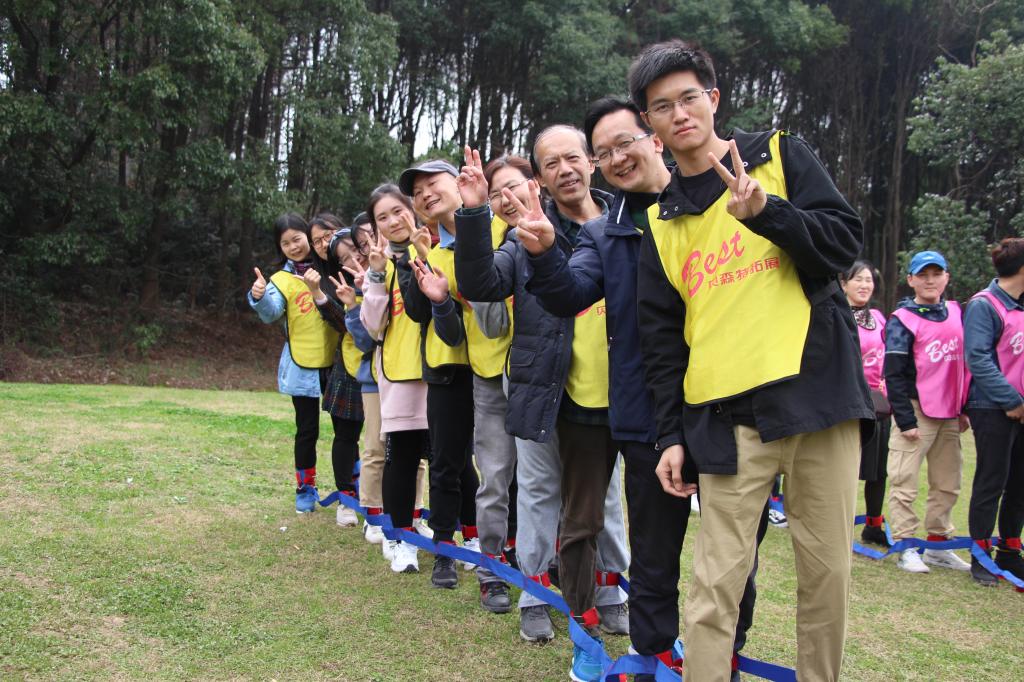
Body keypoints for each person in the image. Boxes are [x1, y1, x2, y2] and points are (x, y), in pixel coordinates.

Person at [629, 41, 872, 682]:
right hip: (728, 419)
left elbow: (843, 245)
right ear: (650, 125)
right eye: (662, 107)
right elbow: (662, 345)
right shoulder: (660, 224)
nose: (679, 114)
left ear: (713, 99)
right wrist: (671, 436)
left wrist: (769, 213)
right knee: (714, 586)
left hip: (819, 400)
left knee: (827, 577)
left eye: (689, 98)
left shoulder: (779, 156)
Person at [522, 96, 762, 680]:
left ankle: (723, 658)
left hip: (728, 404)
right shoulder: (605, 234)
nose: (616, 158)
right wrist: (546, 253)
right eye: (604, 153)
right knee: (654, 556)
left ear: (655, 138)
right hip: (649, 418)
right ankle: (653, 658)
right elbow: (569, 293)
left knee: (736, 555)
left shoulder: (715, 203)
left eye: (624, 142)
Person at [454, 129, 631, 682]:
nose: (565, 169)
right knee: (536, 490)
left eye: (572, 157)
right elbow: (481, 283)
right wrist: (475, 213)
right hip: (539, 383)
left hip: (611, 388)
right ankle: (535, 593)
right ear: (542, 177)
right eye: (551, 163)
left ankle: (611, 588)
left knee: (606, 496)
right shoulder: (526, 231)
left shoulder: (625, 220)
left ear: (592, 162)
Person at [398, 159, 509, 603]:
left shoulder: (497, 229)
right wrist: (421, 259)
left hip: (501, 365)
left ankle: (506, 552)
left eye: (433, 184)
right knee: (446, 460)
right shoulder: (424, 249)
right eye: (417, 192)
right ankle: (445, 547)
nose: (425, 194)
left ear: (459, 183)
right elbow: (416, 311)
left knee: (502, 466)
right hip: (449, 367)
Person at [359, 185, 436, 574]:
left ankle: (464, 537)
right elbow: (373, 326)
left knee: (449, 460)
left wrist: (427, 254)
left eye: (398, 211)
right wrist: (375, 275)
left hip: (443, 372)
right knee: (402, 458)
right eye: (382, 218)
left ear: (414, 209)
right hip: (401, 375)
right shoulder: (381, 265)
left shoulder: (438, 247)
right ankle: (399, 538)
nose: (392, 221)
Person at [883, 250, 972, 574]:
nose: (930, 280)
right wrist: (905, 419)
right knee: (904, 480)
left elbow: (967, 365)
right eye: (923, 275)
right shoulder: (902, 319)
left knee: (948, 482)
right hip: (916, 410)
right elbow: (893, 373)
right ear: (911, 280)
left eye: (936, 274)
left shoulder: (957, 313)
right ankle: (906, 546)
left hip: (950, 412)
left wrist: (964, 408)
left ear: (947, 277)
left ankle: (937, 544)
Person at [247, 213, 342, 513]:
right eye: (285, 243)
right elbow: (271, 312)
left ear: (309, 237)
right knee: (306, 430)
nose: (293, 246)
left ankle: (351, 489)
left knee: (346, 430)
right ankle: (305, 488)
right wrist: (259, 295)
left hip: (339, 361)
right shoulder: (280, 280)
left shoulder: (331, 267)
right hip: (302, 366)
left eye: (297, 239)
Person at [964, 238, 1024, 585]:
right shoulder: (984, 305)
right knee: (992, 481)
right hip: (991, 407)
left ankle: (1010, 552)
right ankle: (981, 556)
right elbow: (978, 359)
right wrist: (1011, 401)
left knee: (1019, 484)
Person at [308, 213, 364, 528]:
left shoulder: (376, 264)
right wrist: (320, 295)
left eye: (327, 234)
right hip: (347, 363)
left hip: (387, 362)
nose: (323, 243)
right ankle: (346, 498)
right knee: (346, 435)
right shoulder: (324, 279)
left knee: (384, 441)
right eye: (316, 240)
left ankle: (379, 501)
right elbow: (342, 323)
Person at [842, 260, 893, 547]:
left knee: (878, 469)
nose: (864, 285)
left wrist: (886, 380)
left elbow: (887, 354)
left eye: (868, 280)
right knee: (844, 467)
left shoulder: (879, 318)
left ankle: (874, 525)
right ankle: (835, 523)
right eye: (858, 279)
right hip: (847, 402)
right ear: (844, 284)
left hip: (878, 403)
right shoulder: (837, 315)